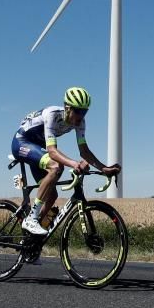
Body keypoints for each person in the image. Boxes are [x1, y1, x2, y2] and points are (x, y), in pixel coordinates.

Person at [11, 87, 121, 236]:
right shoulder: (52, 115)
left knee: (52, 195)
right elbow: (52, 151)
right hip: (22, 142)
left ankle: (31, 239)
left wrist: (104, 168)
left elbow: (84, 151)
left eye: (85, 112)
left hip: (38, 147)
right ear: (67, 108)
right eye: (78, 111)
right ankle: (31, 218)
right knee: (56, 167)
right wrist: (75, 164)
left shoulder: (80, 123)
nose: (81, 116)